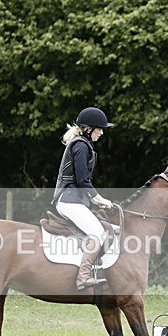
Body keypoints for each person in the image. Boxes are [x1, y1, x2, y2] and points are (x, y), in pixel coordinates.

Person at [52, 107, 114, 290]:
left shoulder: (82, 144)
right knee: (97, 232)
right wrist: (99, 199)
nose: (101, 133)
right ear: (88, 129)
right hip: (68, 200)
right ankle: (83, 277)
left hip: (72, 199)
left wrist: (93, 200)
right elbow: (82, 180)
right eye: (99, 129)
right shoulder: (81, 146)